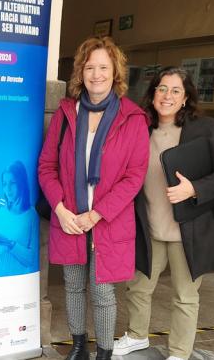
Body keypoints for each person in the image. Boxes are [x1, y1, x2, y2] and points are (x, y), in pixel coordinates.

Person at [113, 67, 214, 359]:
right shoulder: (140, 128)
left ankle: (180, 353)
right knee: (139, 287)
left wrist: (194, 188)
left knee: (185, 296)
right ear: (152, 93)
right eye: (161, 89)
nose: (167, 96)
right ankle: (136, 335)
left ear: (185, 99)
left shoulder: (205, 128)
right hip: (150, 226)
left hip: (189, 229)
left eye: (175, 91)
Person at [38, 36, 149, 360]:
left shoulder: (133, 118)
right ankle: (77, 345)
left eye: (103, 67)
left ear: (115, 71)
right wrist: (59, 209)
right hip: (70, 218)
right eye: (90, 67)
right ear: (80, 72)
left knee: (102, 291)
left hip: (107, 221)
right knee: (73, 286)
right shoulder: (65, 113)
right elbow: (47, 166)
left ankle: (103, 351)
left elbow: (134, 177)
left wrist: (98, 213)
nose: (96, 74)